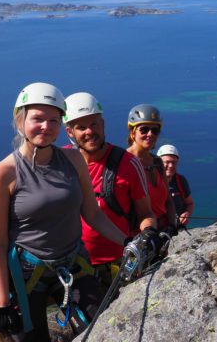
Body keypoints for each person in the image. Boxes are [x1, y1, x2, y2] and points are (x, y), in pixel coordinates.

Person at [0, 83, 139, 341]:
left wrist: (127, 242)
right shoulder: (2, 174)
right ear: (20, 120)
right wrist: (1, 303)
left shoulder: (73, 160)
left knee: (102, 331)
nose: (46, 126)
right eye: (38, 119)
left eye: (54, 120)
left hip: (73, 264)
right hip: (26, 274)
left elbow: (93, 214)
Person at [64, 92, 158, 287]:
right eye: (81, 127)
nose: (90, 131)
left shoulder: (128, 164)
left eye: (94, 124)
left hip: (117, 263)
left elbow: (146, 213)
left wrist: (148, 234)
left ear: (103, 124)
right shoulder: (61, 162)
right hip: (74, 264)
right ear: (70, 132)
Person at [126, 104, 177, 235]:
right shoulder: (124, 163)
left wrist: (172, 226)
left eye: (155, 130)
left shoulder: (157, 162)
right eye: (144, 129)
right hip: (139, 235)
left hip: (163, 232)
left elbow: (168, 201)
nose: (150, 134)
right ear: (132, 132)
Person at [157, 144, 195, 226]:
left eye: (173, 162)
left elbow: (190, 203)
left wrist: (186, 214)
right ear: (158, 163)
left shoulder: (180, 181)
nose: (171, 166)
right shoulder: (150, 181)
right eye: (167, 162)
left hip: (177, 228)